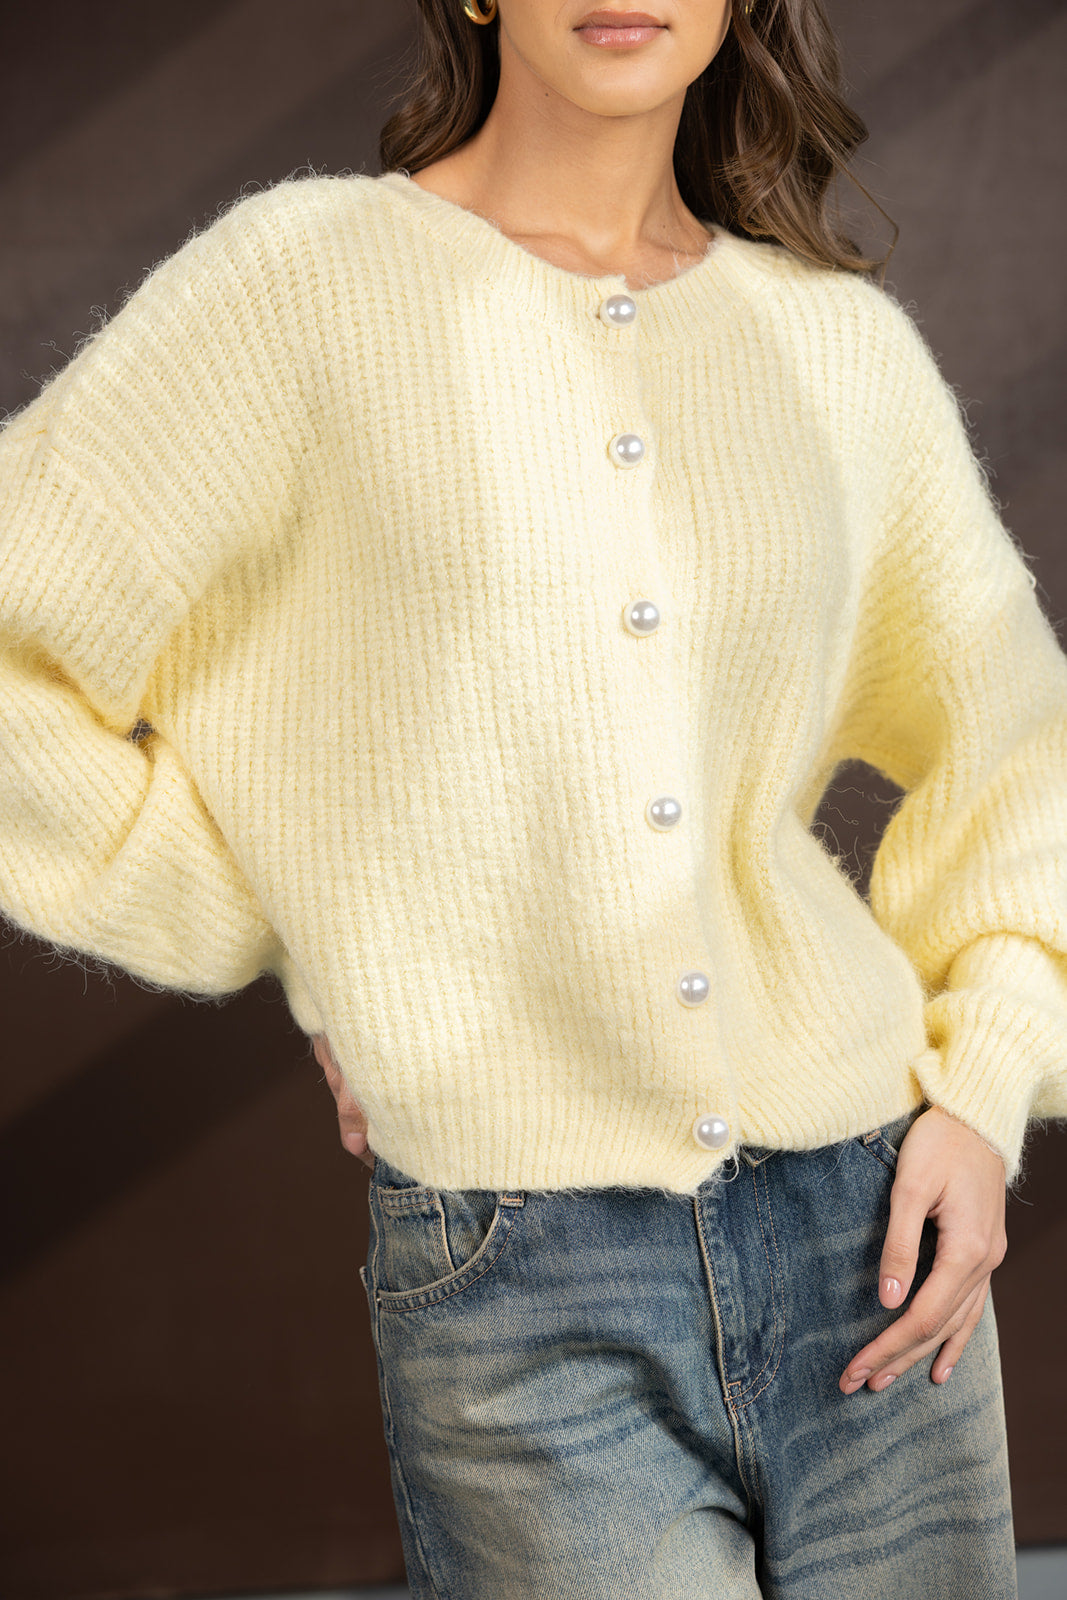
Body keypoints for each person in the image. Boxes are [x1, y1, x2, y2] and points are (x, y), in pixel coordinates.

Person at [1, 0, 1064, 1594]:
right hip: (523, 1280)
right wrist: (324, 945)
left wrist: (981, 1093)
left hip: (873, 1228)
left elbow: (1022, 745)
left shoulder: (836, 348)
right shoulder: (301, 288)